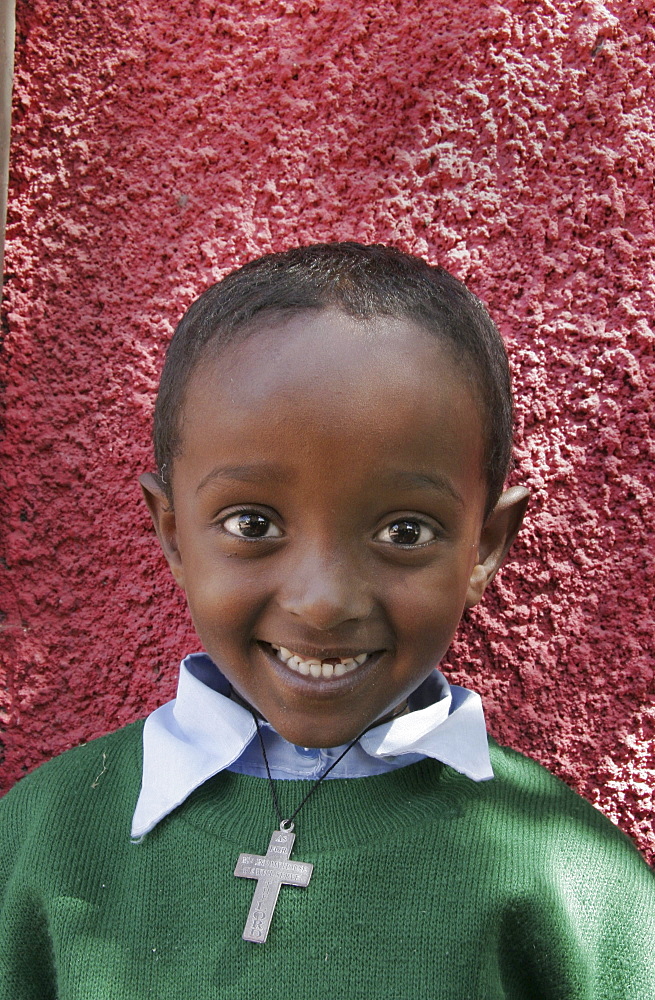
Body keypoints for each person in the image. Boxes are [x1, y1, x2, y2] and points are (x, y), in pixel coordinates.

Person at [0, 243, 653, 999]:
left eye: (403, 532)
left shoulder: (571, 887)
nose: (321, 600)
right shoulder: (41, 845)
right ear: (173, 533)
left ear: (485, 546)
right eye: (252, 523)